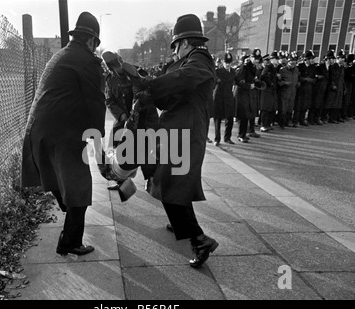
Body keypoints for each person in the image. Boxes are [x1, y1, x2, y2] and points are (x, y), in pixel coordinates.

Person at [127, 14, 219, 268]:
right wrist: (148, 94)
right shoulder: (188, 62)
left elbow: (182, 80)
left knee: (168, 183)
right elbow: (169, 97)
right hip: (177, 132)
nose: (175, 51)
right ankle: (181, 223)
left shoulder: (199, 60)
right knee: (171, 183)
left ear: (186, 42)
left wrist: (150, 84)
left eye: (176, 46)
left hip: (184, 134)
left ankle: (199, 239)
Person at [21, 12, 106, 257]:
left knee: (63, 185)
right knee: (79, 189)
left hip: (38, 131)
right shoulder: (87, 60)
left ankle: (69, 225)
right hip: (63, 134)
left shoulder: (61, 55)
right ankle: (69, 242)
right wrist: (98, 145)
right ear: (91, 40)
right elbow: (95, 103)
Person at [102, 51, 135, 191]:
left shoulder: (133, 73)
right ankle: (122, 181)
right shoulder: (110, 79)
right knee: (115, 148)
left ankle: (152, 179)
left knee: (145, 151)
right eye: (113, 67)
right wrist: (121, 115)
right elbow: (109, 100)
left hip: (138, 118)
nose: (117, 69)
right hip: (122, 120)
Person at [213, 52, 236, 146]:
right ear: (223, 62)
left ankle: (227, 138)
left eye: (229, 63)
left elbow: (238, 81)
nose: (228, 65)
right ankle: (217, 139)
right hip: (219, 97)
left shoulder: (233, 72)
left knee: (230, 118)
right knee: (217, 119)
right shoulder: (218, 71)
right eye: (226, 63)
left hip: (229, 97)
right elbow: (213, 79)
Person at [234, 53, 256, 142]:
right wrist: (249, 86)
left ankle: (243, 134)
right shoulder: (244, 68)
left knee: (246, 115)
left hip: (247, 94)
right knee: (243, 115)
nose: (256, 60)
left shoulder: (251, 68)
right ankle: (241, 135)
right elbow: (239, 81)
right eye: (254, 58)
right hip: (242, 94)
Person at [278, 51, 300, 128]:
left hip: (293, 92)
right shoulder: (282, 70)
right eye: (291, 62)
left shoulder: (296, 70)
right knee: (283, 108)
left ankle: (287, 122)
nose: (293, 64)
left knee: (290, 108)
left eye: (294, 62)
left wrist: (298, 83)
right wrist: (284, 83)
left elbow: (298, 78)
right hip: (285, 92)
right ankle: (281, 123)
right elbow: (278, 81)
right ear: (288, 61)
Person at [294, 50, 316, 126]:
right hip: (301, 88)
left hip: (309, 88)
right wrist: (305, 79)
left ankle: (302, 119)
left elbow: (314, 78)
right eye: (311, 58)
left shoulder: (313, 67)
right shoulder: (300, 66)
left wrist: (312, 80)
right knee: (298, 105)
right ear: (306, 59)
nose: (312, 60)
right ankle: (295, 120)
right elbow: (297, 77)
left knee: (305, 105)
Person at [259, 51, 279, 133]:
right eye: (275, 59)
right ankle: (263, 125)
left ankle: (268, 124)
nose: (277, 61)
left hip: (272, 90)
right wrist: (269, 82)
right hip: (267, 90)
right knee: (265, 109)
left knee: (270, 108)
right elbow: (263, 76)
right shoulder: (268, 66)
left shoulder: (274, 68)